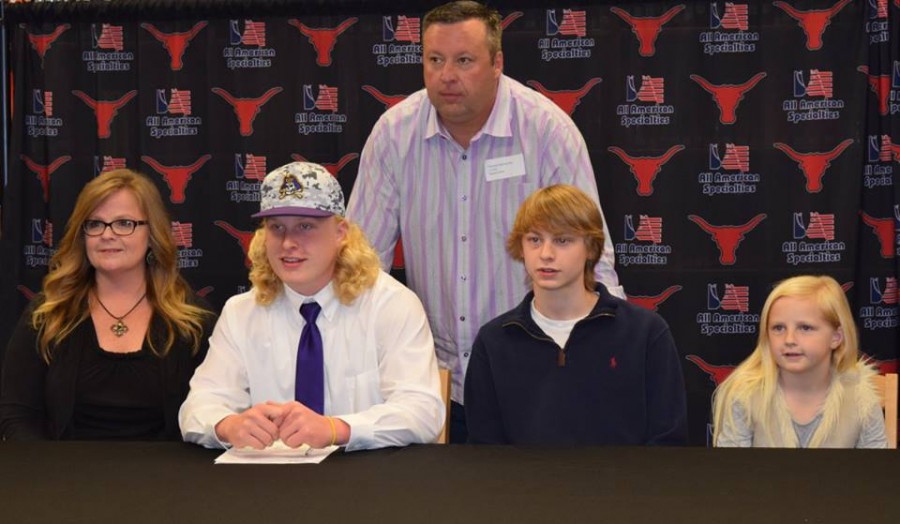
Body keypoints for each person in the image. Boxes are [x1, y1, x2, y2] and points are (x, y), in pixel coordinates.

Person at [347, 0, 622, 443]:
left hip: (535, 372)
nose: (446, 75)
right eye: (434, 60)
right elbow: (359, 265)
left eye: (464, 61)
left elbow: (593, 257)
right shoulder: (393, 134)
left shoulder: (547, 131)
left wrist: (604, 359)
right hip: (428, 379)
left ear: (497, 63)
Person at [179, 162, 444, 451]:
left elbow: (422, 411)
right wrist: (229, 425)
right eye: (276, 227)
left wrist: (335, 429)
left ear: (341, 231)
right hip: (269, 485)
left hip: (367, 484)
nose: (289, 242)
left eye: (305, 226)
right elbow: (198, 405)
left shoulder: (390, 304)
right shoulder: (241, 312)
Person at [0, 169, 215, 440]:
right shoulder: (47, 314)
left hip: (166, 479)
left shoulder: (194, 322)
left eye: (124, 223)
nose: (107, 234)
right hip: (63, 477)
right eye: (95, 224)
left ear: (152, 234)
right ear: (83, 235)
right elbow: (17, 414)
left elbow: (214, 413)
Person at [464, 185, 687, 445]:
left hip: (623, 485)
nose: (546, 254)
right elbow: (485, 453)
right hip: (524, 486)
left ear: (591, 248)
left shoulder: (644, 332)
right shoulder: (494, 341)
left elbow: (668, 444)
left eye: (562, 240)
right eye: (535, 240)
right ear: (520, 247)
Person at [712, 275, 887, 448]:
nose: (789, 339)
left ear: (836, 337)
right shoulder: (746, 396)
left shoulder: (862, 399)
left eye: (805, 328)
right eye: (778, 328)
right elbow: (730, 471)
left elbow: (876, 472)